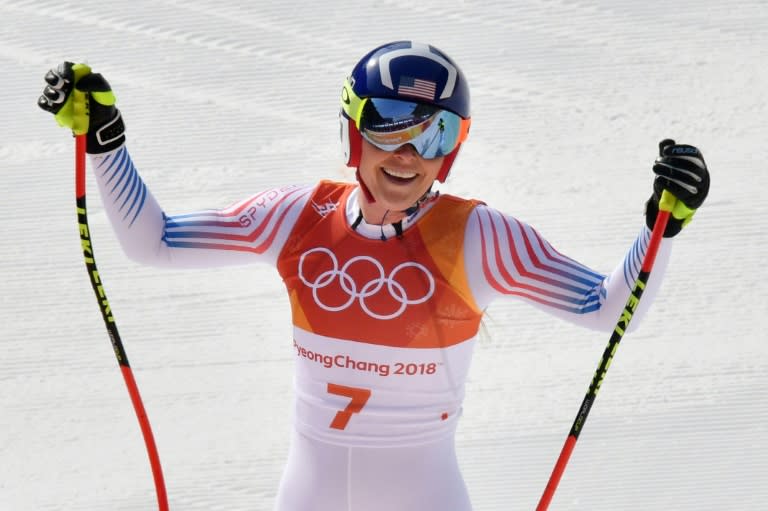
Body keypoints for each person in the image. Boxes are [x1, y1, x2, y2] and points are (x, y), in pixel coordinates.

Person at [38, 41, 709, 511]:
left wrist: (661, 226)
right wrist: (107, 141)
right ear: (353, 130)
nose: (410, 153)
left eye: (437, 133)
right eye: (389, 125)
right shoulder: (296, 217)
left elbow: (603, 306)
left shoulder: (479, 236)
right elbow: (153, 240)